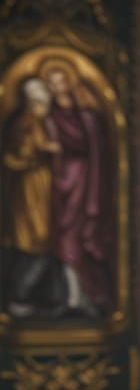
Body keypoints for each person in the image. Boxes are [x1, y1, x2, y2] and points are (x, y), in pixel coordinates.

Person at [41, 57, 113, 315]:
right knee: (64, 239)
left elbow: (95, 147)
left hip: (84, 180)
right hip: (60, 183)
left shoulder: (86, 114)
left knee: (81, 238)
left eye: (60, 81)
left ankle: (83, 296)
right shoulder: (48, 116)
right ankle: (72, 296)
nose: (57, 87)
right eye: (52, 83)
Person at [1, 77, 63, 317]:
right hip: (28, 189)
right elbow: (20, 153)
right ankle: (18, 297)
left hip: (43, 185)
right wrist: (43, 149)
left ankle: (42, 298)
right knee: (34, 241)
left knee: (44, 242)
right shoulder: (25, 122)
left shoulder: (41, 121)